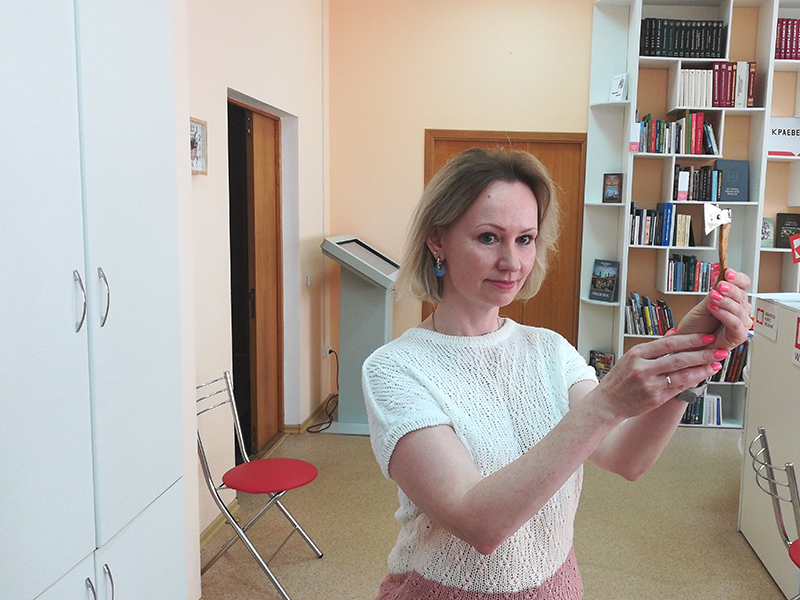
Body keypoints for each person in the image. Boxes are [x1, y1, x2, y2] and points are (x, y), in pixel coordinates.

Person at [361, 147, 752, 599]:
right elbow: (479, 523)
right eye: (489, 237)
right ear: (437, 240)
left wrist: (694, 351)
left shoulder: (548, 349)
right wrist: (606, 405)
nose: (512, 262)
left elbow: (627, 459)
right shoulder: (396, 369)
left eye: (525, 239)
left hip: (557, 587)